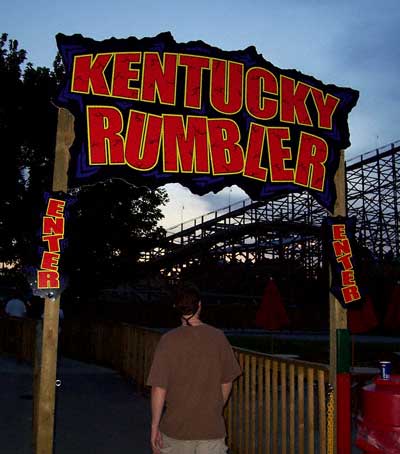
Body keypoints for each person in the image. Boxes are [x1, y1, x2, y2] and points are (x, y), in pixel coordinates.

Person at [147, 283, 241, 454]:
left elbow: (159, 388)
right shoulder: (218, 337)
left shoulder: (168, 340)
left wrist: (154, 427)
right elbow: (227, 380)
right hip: (211, 429)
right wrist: (216, 407)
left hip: (175, 430)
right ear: (199, 305)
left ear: (177, 309)